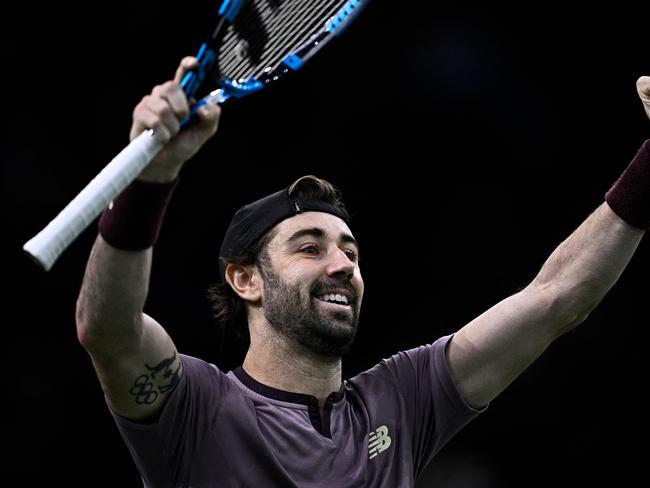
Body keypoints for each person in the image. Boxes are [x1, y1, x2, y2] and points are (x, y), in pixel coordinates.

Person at [75, 55, 650, 487]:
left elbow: (557, 298)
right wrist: (153, 179)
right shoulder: (197, 409)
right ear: (244, 279)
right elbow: (107, 327)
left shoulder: (402, 400)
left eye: (351, 252)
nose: (341, 265)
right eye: (308, 247)